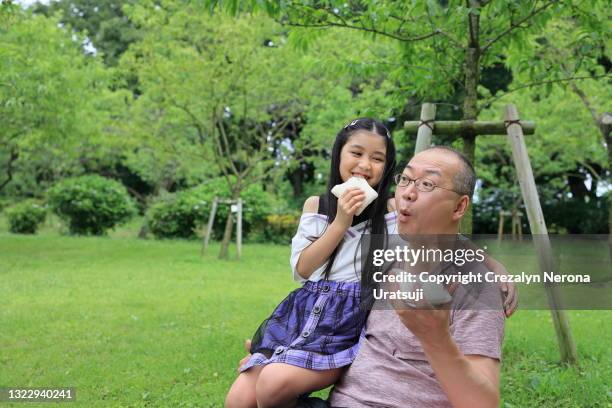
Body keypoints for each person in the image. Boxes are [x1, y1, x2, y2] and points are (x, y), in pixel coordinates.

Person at [225, 118, 399, 408]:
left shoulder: (393, 211)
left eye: (377, 158)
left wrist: (494, 269)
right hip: (301, 317)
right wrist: (340, 221)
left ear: (387, 166)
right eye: (356, 153)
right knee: (238, 402)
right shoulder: (316, 206)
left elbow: (448, 242)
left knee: (273, 387)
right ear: (339, 155)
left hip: (343, 327)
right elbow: (302, 269)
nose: (365, 165)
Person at [329, 146, 509, 407]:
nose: (408, 194)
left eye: (427, 184)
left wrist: (435, 339)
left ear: (459, 206)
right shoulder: (387, 261)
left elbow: (483, 403)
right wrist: (279, 349)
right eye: (405, 179)